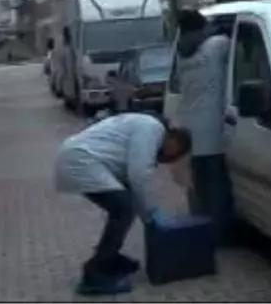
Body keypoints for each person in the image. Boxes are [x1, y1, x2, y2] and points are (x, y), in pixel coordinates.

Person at [54, 113, 193, 296]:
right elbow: (138, 174)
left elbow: (131, 177)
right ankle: (94, 275)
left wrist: (147, 213)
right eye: (174, 155)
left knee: (122, 207)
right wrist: (150, 215)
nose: (168, 160)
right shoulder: (153, 129)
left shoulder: (145, 125)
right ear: (175, 142)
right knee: (124, 209)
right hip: (82, 160)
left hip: (79, 157)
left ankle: (109, 259)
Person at [173, 10, 234, 242]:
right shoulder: (217, 45)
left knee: (198, 185)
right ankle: (220, 236)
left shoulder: (181, 54)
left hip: (189, 129)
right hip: (212, 130)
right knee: (217, 185)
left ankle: (201, 230)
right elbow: (231, 39)